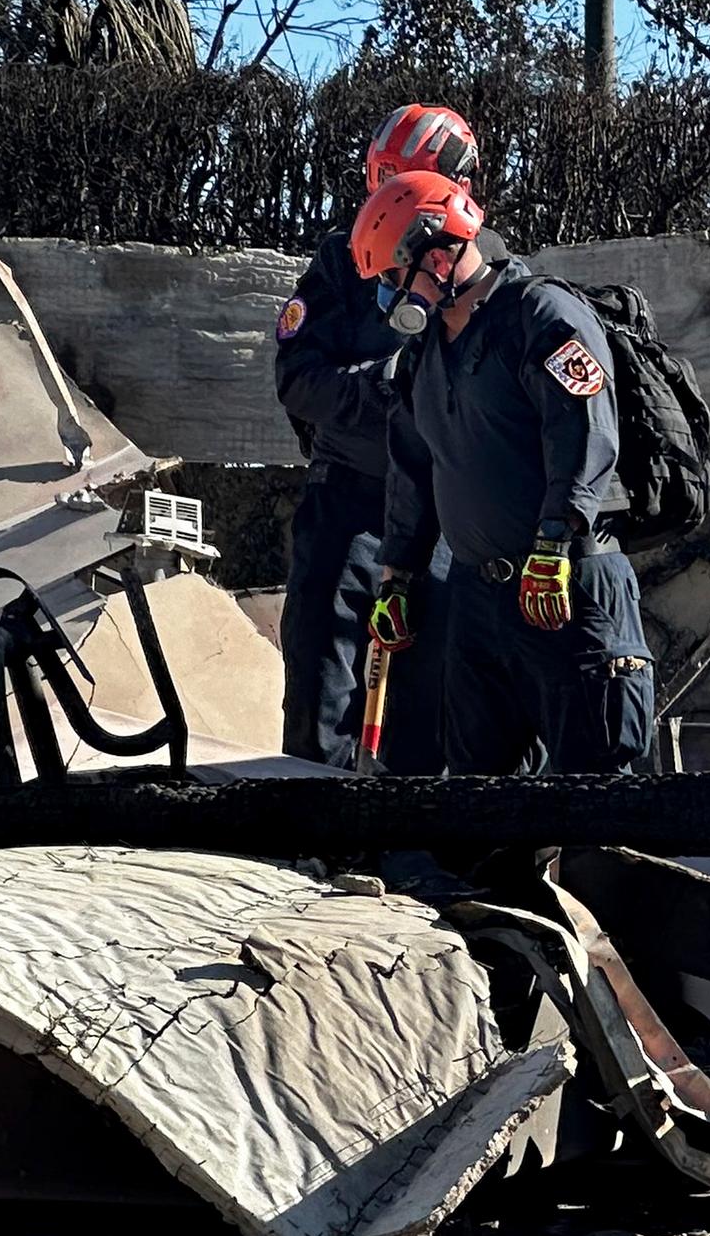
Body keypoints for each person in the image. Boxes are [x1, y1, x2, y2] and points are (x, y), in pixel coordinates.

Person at [352, 170, 657, 775]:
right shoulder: (425, 353)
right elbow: (414, 469)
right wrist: (398, 578)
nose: (387, 295)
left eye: (392, 276)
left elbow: (584, 434)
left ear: (438, 257)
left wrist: (553, 543)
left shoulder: (543, 316)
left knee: (593, 788)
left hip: (565, 587)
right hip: (477, 598)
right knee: (478, 797)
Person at [269, 104, 480, 763]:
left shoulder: (482, 272)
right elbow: (299, 378)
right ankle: (308, 836)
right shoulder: (342, 261)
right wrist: (384, 393)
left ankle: (409, 848)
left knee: (431, 694)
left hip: (443, 518)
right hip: (349, 501)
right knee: (319, 680)